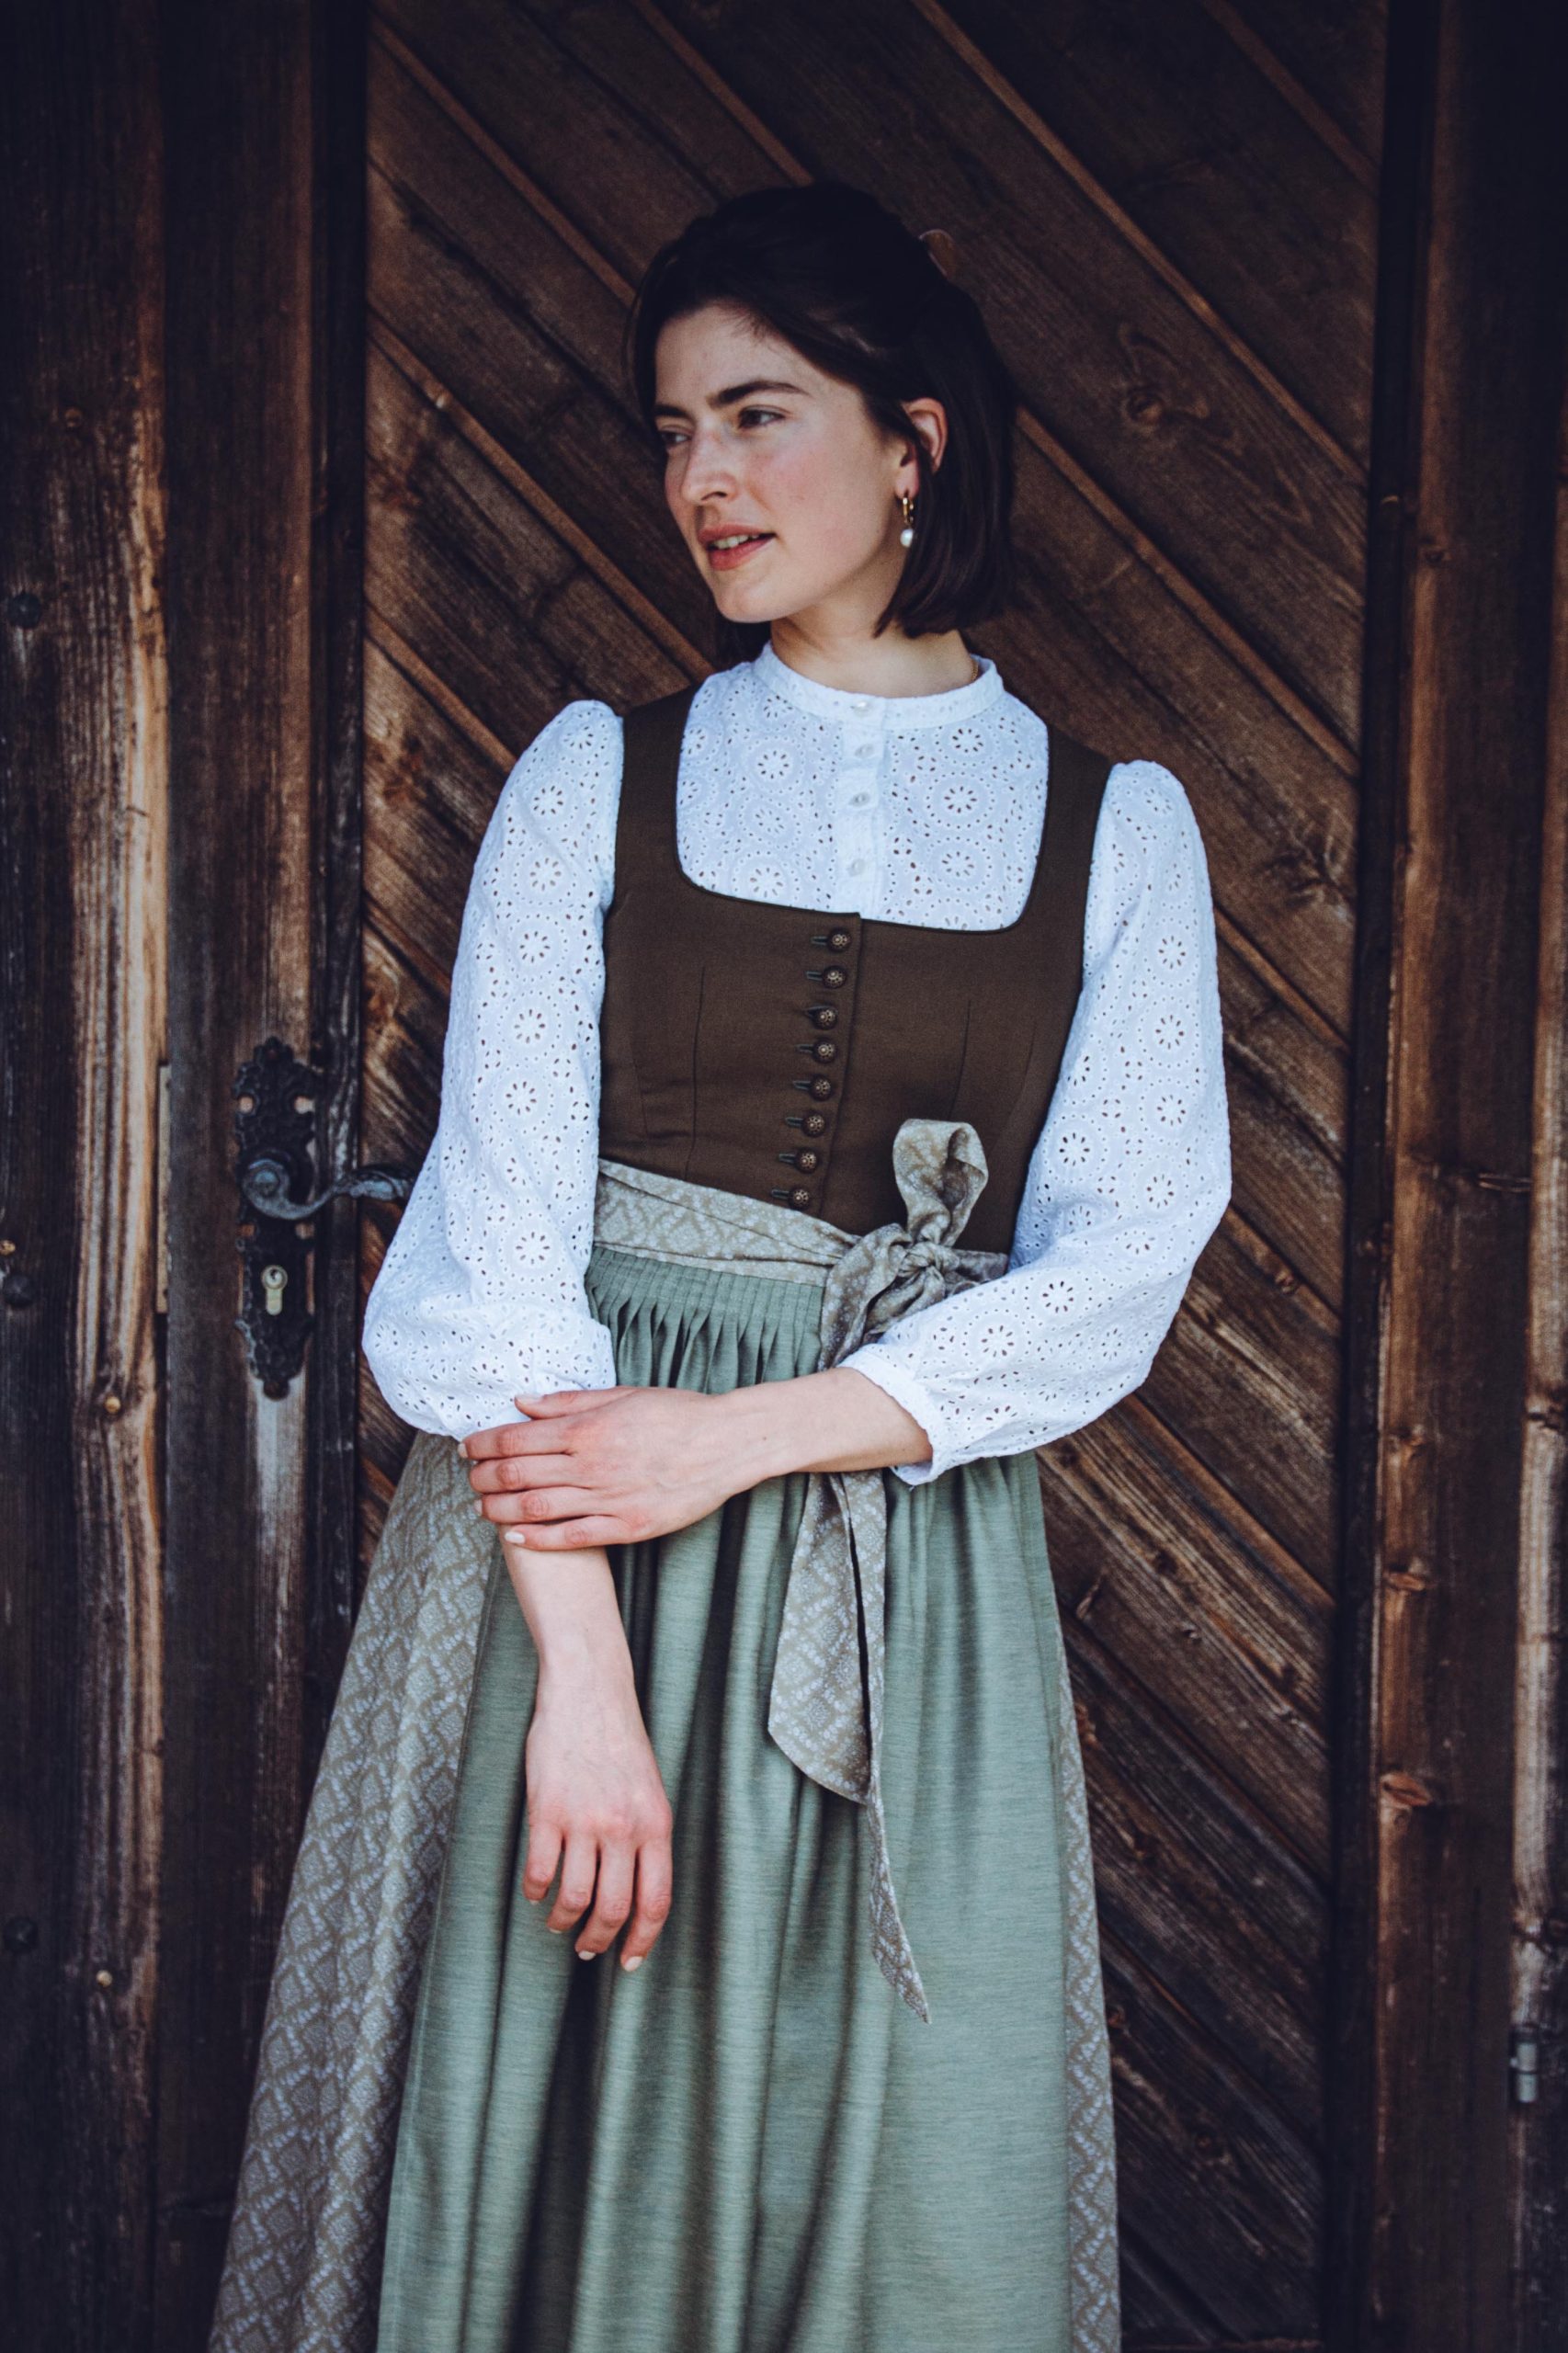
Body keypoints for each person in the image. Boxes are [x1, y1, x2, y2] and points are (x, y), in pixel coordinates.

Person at [208, 182, 1231, 2353]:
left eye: (757, 415)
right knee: (527, 2106)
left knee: (901, 2167)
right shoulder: (599, 774)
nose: (701, 480)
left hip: (896, 1562)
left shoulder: (1113, 827)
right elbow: (500, 1238)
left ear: (913, 441)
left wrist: (737, 1437)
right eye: (674, 431)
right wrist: (581, 1687)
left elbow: (1120, 1258)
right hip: (562, 1553)